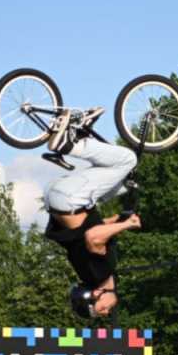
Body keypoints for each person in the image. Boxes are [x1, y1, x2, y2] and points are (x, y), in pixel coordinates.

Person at [42, 125, 141, 319]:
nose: (107, 312)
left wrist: (127, 224)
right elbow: (81, 234)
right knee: (128, 183)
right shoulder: (88, 272)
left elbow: (92, 236)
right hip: (57, 197)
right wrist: (107, 223)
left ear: (96, 294)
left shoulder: (100, 273)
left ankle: (69, 144)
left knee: (128, 160)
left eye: (100, 309)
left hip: (70, 199)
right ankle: (82, 133)